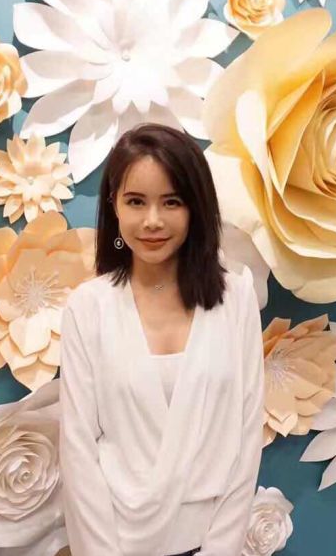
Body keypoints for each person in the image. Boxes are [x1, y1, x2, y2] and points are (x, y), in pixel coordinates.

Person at [59, 123, 265, 556]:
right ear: (114, 205)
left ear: (195, 207)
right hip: (114, 542)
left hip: (211, 541)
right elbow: (78, 452)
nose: (152, 220)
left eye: (172, 202)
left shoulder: (236, 298)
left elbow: (246, 436)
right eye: (136, 201)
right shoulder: (88, 308)